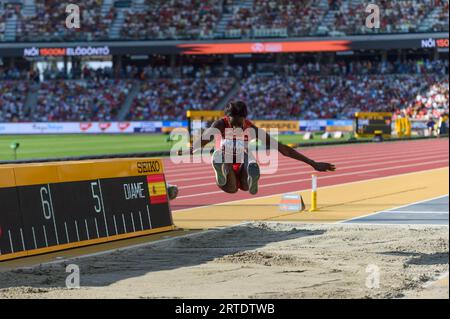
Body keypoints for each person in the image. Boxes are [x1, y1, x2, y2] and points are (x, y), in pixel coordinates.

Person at [190, 101, 336, 195]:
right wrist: (193, 148)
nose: (236, 128)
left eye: (239, 124)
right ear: (227, 118)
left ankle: (251, 174)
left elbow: (282, 149)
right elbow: (206, 138)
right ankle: (221, 170)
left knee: (246, 176)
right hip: (226, 161)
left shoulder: (251, 128)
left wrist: (313, 163)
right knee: (231, 185)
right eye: (233, 124)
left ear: (245, 119)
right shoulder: (220, 125)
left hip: (241, 165)